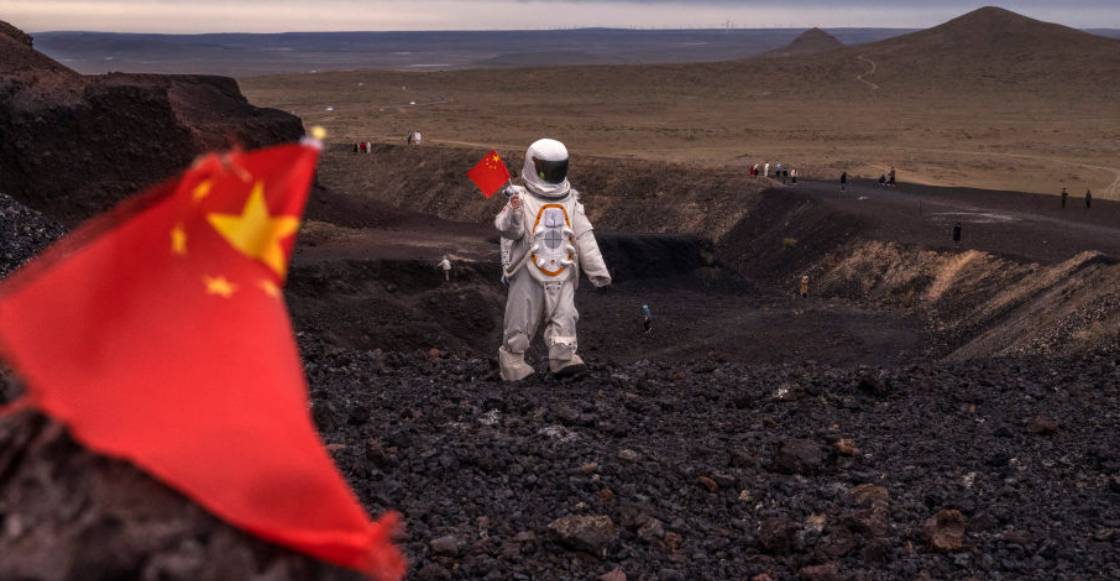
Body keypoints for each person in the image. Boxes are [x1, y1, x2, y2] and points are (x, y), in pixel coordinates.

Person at [495, 138, 611, 381]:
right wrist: (515, 213)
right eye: (545, 169)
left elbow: (584, 235)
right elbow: (508, 231)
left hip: (563, 270)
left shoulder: (570, 201)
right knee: (521, 317)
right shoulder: (520, 199)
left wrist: (597, 270)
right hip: (527, 269)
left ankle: (562, 357)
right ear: (532, 166)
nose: (551, 174)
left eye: (556, 169)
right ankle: (513, 361)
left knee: (565, 315)